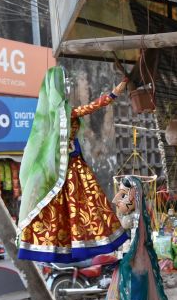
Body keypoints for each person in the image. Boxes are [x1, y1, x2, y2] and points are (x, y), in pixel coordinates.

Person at [17, 66, 129, 263]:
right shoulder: (63, 114)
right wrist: (114, 93)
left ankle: (61, 247)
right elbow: (92, 107)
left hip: (66, 166)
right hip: (73, 168)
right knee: (84, 206)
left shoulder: (50, 116)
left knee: (65, 210)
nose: (67, 87)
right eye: (64, 83)